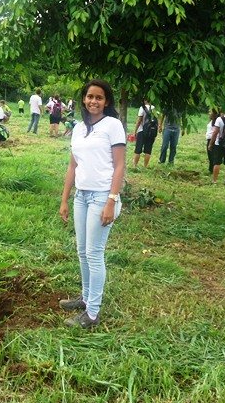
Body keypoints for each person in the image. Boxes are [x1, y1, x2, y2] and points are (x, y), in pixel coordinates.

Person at [58, 79, 126, 329]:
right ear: (83, 99)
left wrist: (111, 200)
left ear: (106, 101)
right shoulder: (78, 128)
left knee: (94, 254)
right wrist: (65, 199)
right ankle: (85, 298)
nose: (93, 101)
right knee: (82, 251)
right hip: (81, 196)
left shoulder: (113, 125)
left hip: (102, 196)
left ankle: (92, 314)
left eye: (99, 97)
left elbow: (119, 165)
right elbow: (72, 166)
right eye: (89, 96)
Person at [132, 99, 157, 169]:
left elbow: (139, 120)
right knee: (148, 150)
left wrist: (135, 131)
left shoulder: (142, 108)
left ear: (145, 100)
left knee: (138, 149)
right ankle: (145, 167)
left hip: (142, 131)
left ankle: (134, 166)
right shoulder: (154, 108)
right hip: (151, 131)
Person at [205, 109, 219, 174]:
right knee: (210, 155)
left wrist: (211, 143)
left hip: (212, 140)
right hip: (209, 139)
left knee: (212, 155)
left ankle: (212, 170)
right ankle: (211, 169)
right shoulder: (211, 121)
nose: (209, 113)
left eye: (210, 112)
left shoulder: (216, 121)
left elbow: (215, 132)